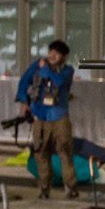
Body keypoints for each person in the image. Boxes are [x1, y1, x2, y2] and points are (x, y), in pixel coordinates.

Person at [16, 40, 77, 199]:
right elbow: (24, 81)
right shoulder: (37, 67)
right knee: (40, 153)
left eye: (56, 53)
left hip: (59, 116)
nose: (52, 55)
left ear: (64, 57)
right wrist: (24, 102)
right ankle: (44, 188)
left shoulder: (67, 71)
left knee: (65, 151)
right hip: (40, 116)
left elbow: (59, 81)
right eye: (51, 51)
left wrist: (46, 69)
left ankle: (70, 187)